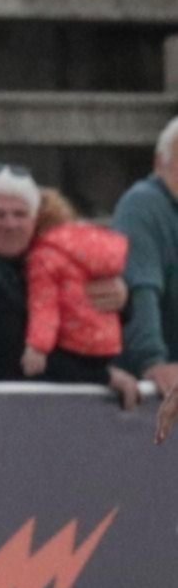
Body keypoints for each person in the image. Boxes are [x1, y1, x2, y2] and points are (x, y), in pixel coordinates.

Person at [0, 165, 130, 396]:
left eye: (20, 214)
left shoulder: (37, 261)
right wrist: (104, 378)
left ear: (35, 219)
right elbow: (20, 361)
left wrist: (121, 299)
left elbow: (77, 314)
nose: (10, 224)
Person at [21, 189, 138, 404]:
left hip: (71, 346)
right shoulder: (93, 247)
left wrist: (37, 348)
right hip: (107, 344)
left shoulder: (43, 257)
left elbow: (45, 308)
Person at [116, 116, 178, 402]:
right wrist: (152, 360)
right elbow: (141, 287)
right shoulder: (143, 205)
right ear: (159, 162)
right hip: (153, 383)